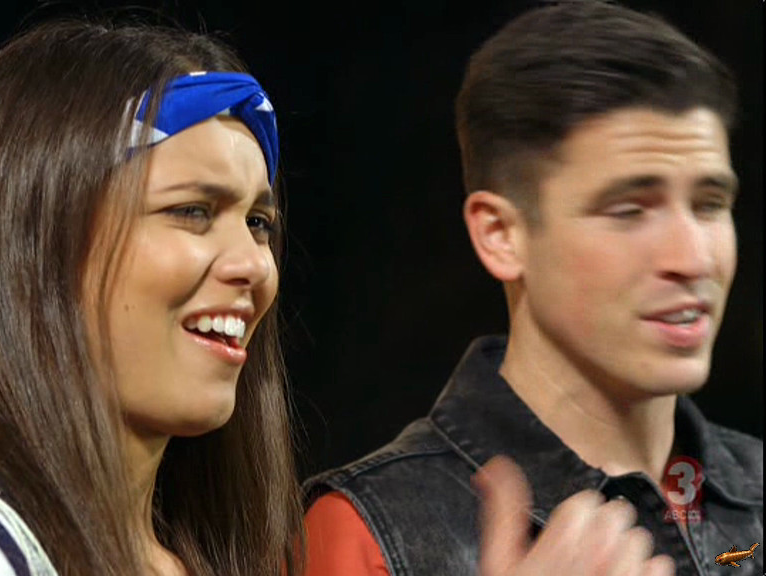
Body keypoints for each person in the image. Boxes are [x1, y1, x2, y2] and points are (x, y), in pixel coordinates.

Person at [0, 17, 303, 576]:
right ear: (41, 243)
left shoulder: (205, 555)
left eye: (257, 222)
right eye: (192, 211)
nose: (254, 264)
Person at [303, 2, 762, 575]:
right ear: (501, 235)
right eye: (628, 210)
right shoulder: (364, 531)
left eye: (710, 204)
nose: (692, 259)